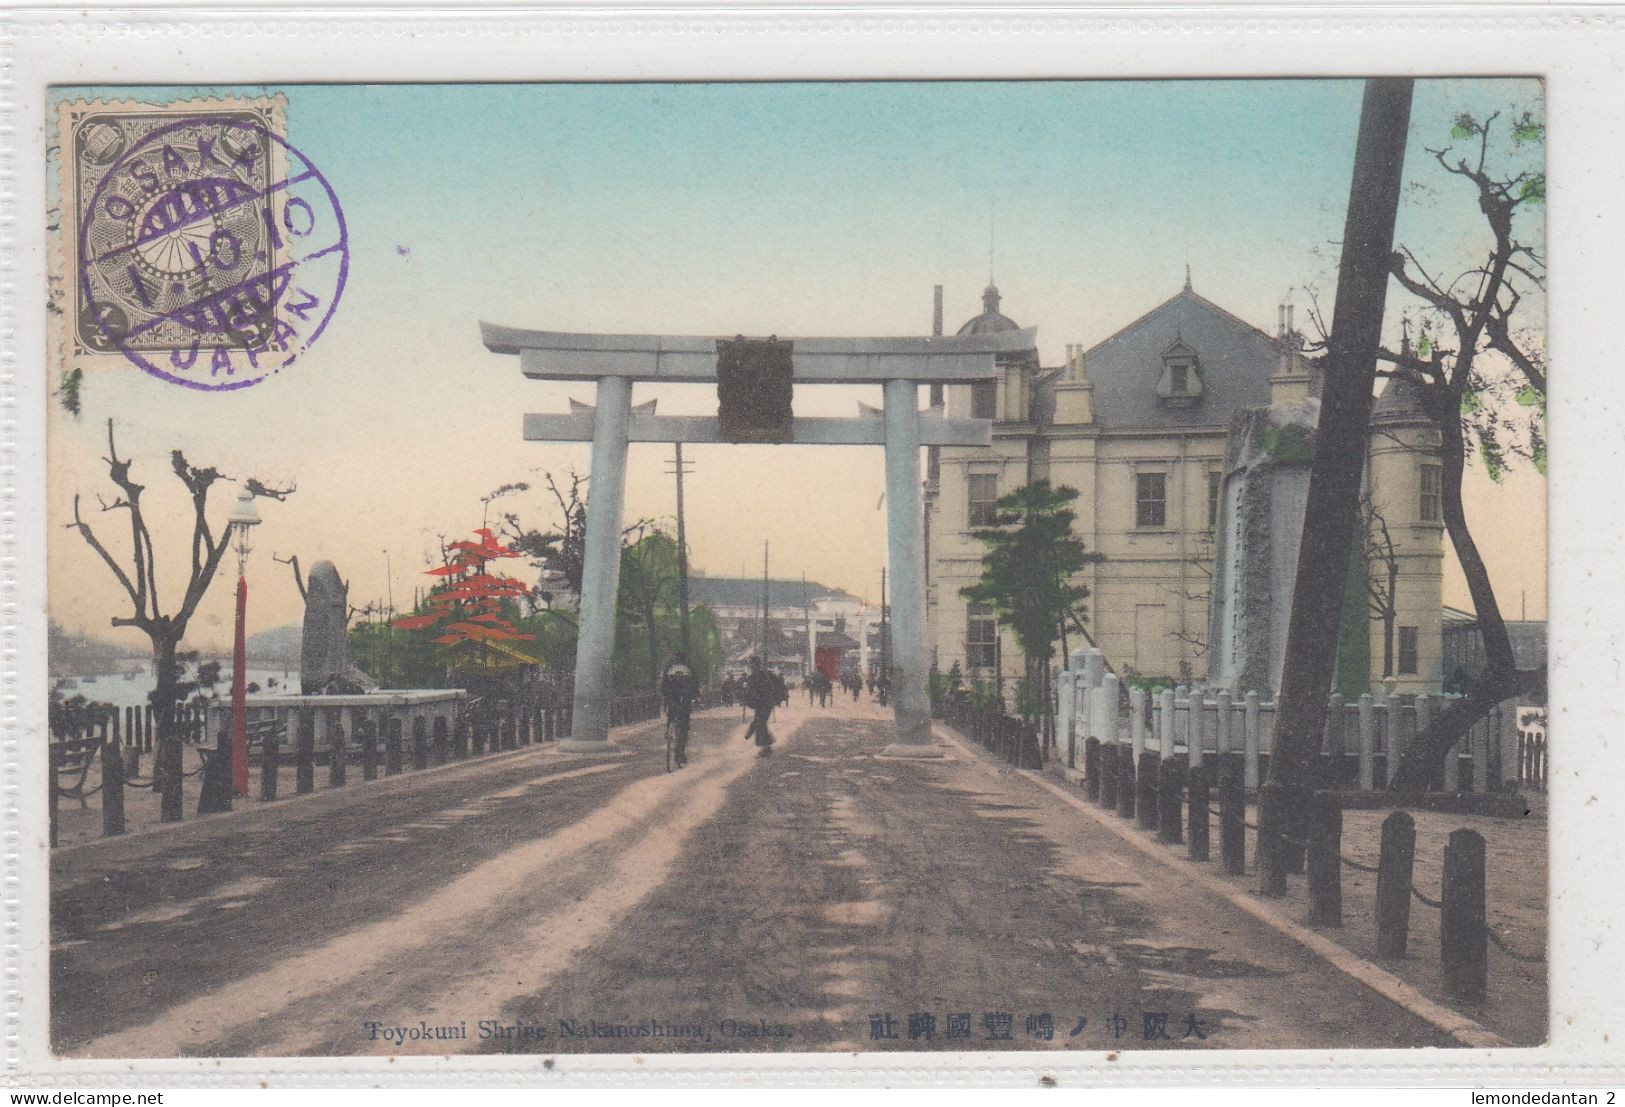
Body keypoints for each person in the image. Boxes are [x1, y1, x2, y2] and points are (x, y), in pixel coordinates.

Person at [659, 654, 697, 768]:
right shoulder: (689, 670)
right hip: (683, 701)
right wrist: (695, 696)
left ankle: (668, 729)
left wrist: (666, 695)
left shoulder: (669, 669)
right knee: (684, 727)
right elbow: (694, 686)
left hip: (673, 699)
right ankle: (680, 753)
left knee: (672, 714)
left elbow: (663, 686)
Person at [743, 657, 778, 756]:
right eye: (751, 665)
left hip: (763, 703)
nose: (751, 667)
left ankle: (765, 747)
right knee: (761, 723)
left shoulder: (758, 676)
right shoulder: (761, 675)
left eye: (753, 665)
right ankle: (766, 746)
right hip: (764, 704)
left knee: (760, 724)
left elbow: (758, 690)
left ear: (757, 665)